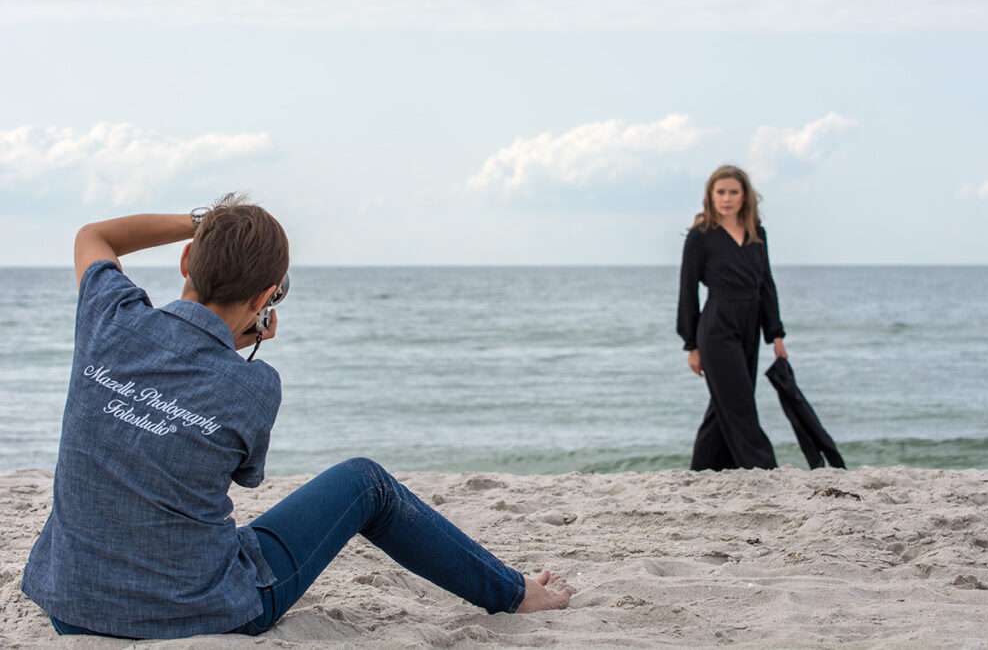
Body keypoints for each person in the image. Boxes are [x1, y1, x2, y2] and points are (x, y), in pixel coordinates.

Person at [21, 195, 572, 640]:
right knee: (367, 483)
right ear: (267, 296)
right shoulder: (254, 385)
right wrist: (232, 355)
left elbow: (95, 235)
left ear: (186, 261)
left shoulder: (108, 318)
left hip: (72, 605)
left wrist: (203, 220)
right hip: (203, 611)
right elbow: (238, 467)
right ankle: (514, 594)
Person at [676, 165, 788, 471]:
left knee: (725, 403)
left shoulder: (757, 234)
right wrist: (691, 345)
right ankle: (765, 468)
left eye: (733, 192)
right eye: (720, 192)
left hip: (749, 326)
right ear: (710, 196)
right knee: (740, 404)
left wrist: (775, 333)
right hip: (716, 328)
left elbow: (766, 284)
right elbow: (687, 290)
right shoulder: (701, 237)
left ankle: (703, 469)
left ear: (745, 196)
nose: (726, 198)